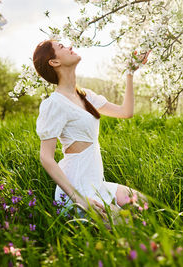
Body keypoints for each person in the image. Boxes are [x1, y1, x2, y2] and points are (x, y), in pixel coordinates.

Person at [33, 39, 150, 220]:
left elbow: (125, 112)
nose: (70, 46)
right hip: (77, 192)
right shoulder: (54, 104)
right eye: (62, 47)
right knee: (132, 230)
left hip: (97, 185)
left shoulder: (84, 96)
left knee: (143, 205)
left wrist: (130, 73)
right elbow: (45, 158)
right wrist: (79, 198)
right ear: (54, 62)